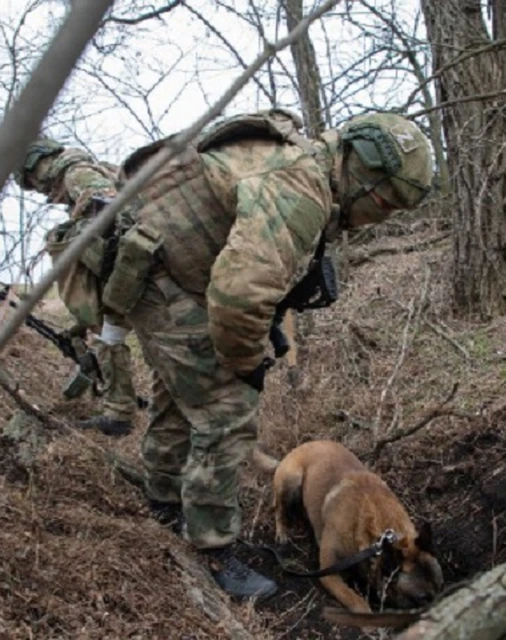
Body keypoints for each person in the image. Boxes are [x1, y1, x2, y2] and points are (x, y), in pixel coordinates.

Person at [22, 109, 434, 600]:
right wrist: (244, 363)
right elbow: (240, 297)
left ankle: (162, 498)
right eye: (384, 205)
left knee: (182, 392)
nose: (380, 217)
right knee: (227, 412)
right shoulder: (302, 189)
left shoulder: (291, 157)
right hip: (162, 276)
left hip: (161, 267)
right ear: (365, 177)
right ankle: (213, 549)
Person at [15, 139, 139, 436]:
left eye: (33, 182)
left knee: (107, 336)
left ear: (38, 167)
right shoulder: (88, 171)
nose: (39, 190)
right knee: (108, 336)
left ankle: (120, 415)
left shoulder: (77, 174)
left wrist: (111, 283)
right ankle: (119, 410)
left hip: (129, 272)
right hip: (127, 271)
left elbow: (116, 219)